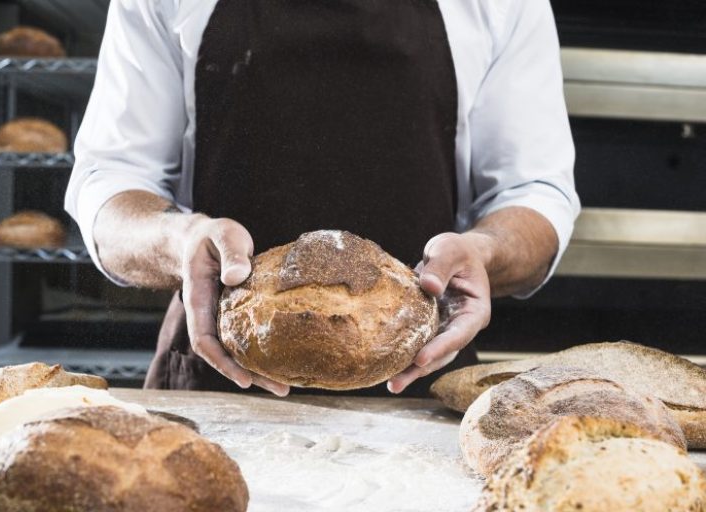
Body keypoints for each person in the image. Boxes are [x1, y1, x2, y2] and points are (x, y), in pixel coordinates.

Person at [65, 0, 580, 398]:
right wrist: (179, 240)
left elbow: (534, 191)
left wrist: (484, 252)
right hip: (221, 380)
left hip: (418, 374)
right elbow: (110, 180)